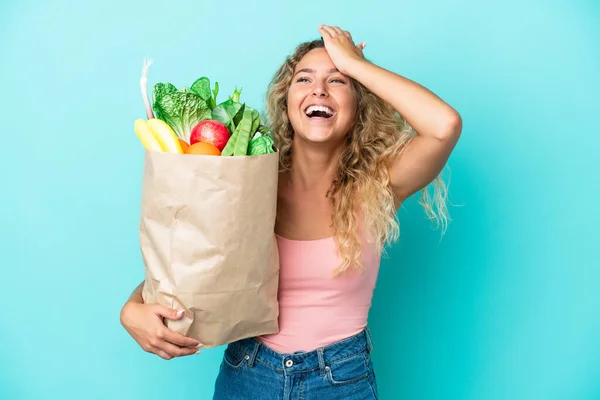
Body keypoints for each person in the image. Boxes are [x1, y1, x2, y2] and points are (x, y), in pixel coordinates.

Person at [120, 24, 462, 399]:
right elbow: (192, 266)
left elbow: (443, 126)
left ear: (359, 105)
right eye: (305, 79)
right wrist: (131, 310)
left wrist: (355, 63)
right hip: (248, 373)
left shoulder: (378, 184)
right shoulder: (245, 179)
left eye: (338, 80)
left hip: (340, 381)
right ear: (286, 101)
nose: (319, 89)